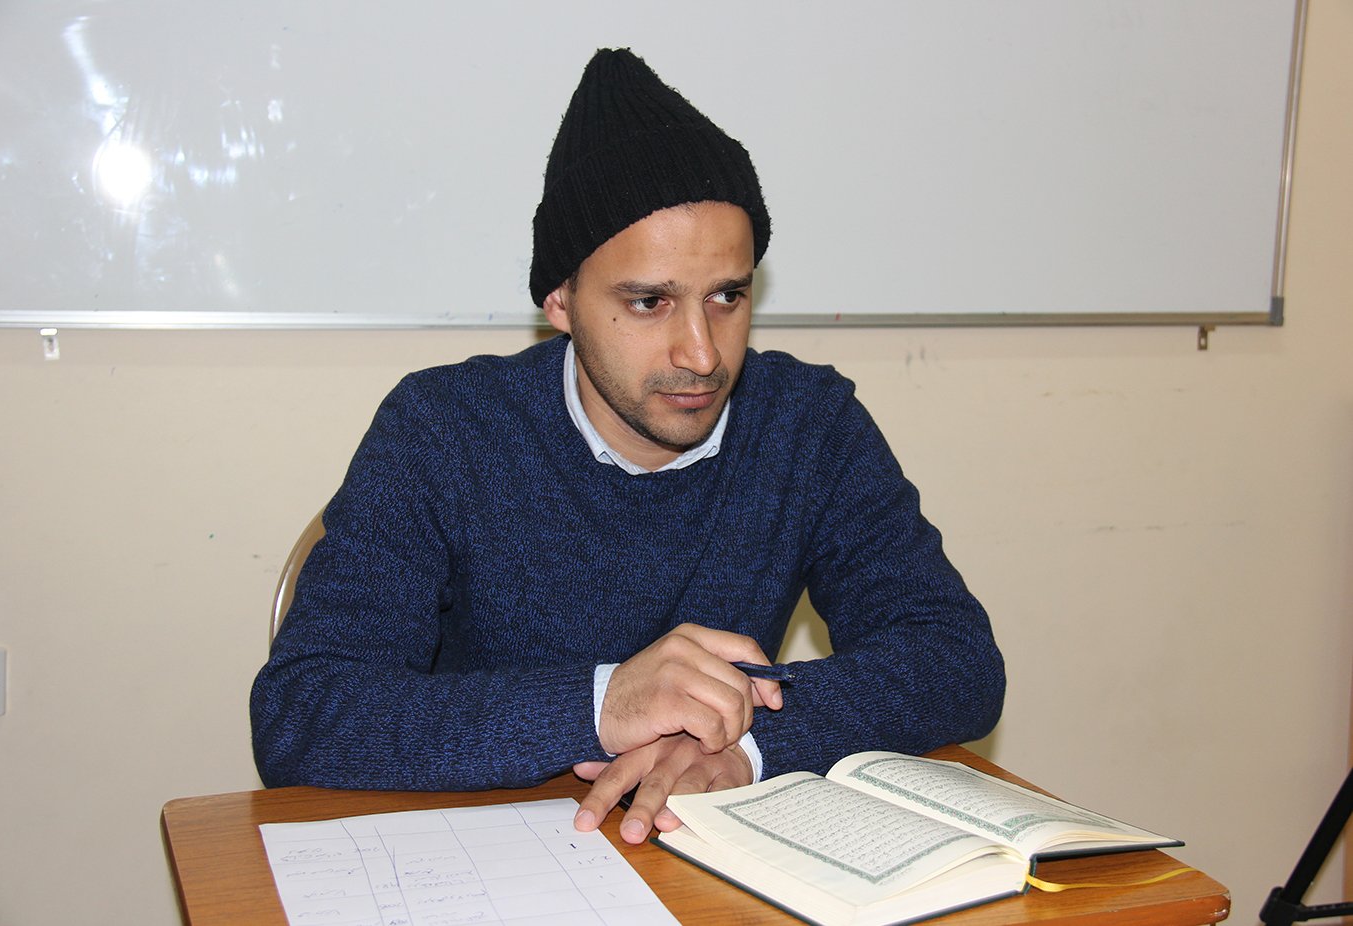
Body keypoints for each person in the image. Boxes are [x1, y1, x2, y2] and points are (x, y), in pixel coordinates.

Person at [250, 48, 1004, 845]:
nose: (701, 354)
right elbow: (305, 712)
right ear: (559, 300)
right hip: (485, 853)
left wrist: (743, 739)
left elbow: (954, 658)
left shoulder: (806, 424)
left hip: (695, 851)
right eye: (649, 302)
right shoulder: (443, 429)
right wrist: (602, 703)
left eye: (727, 296)